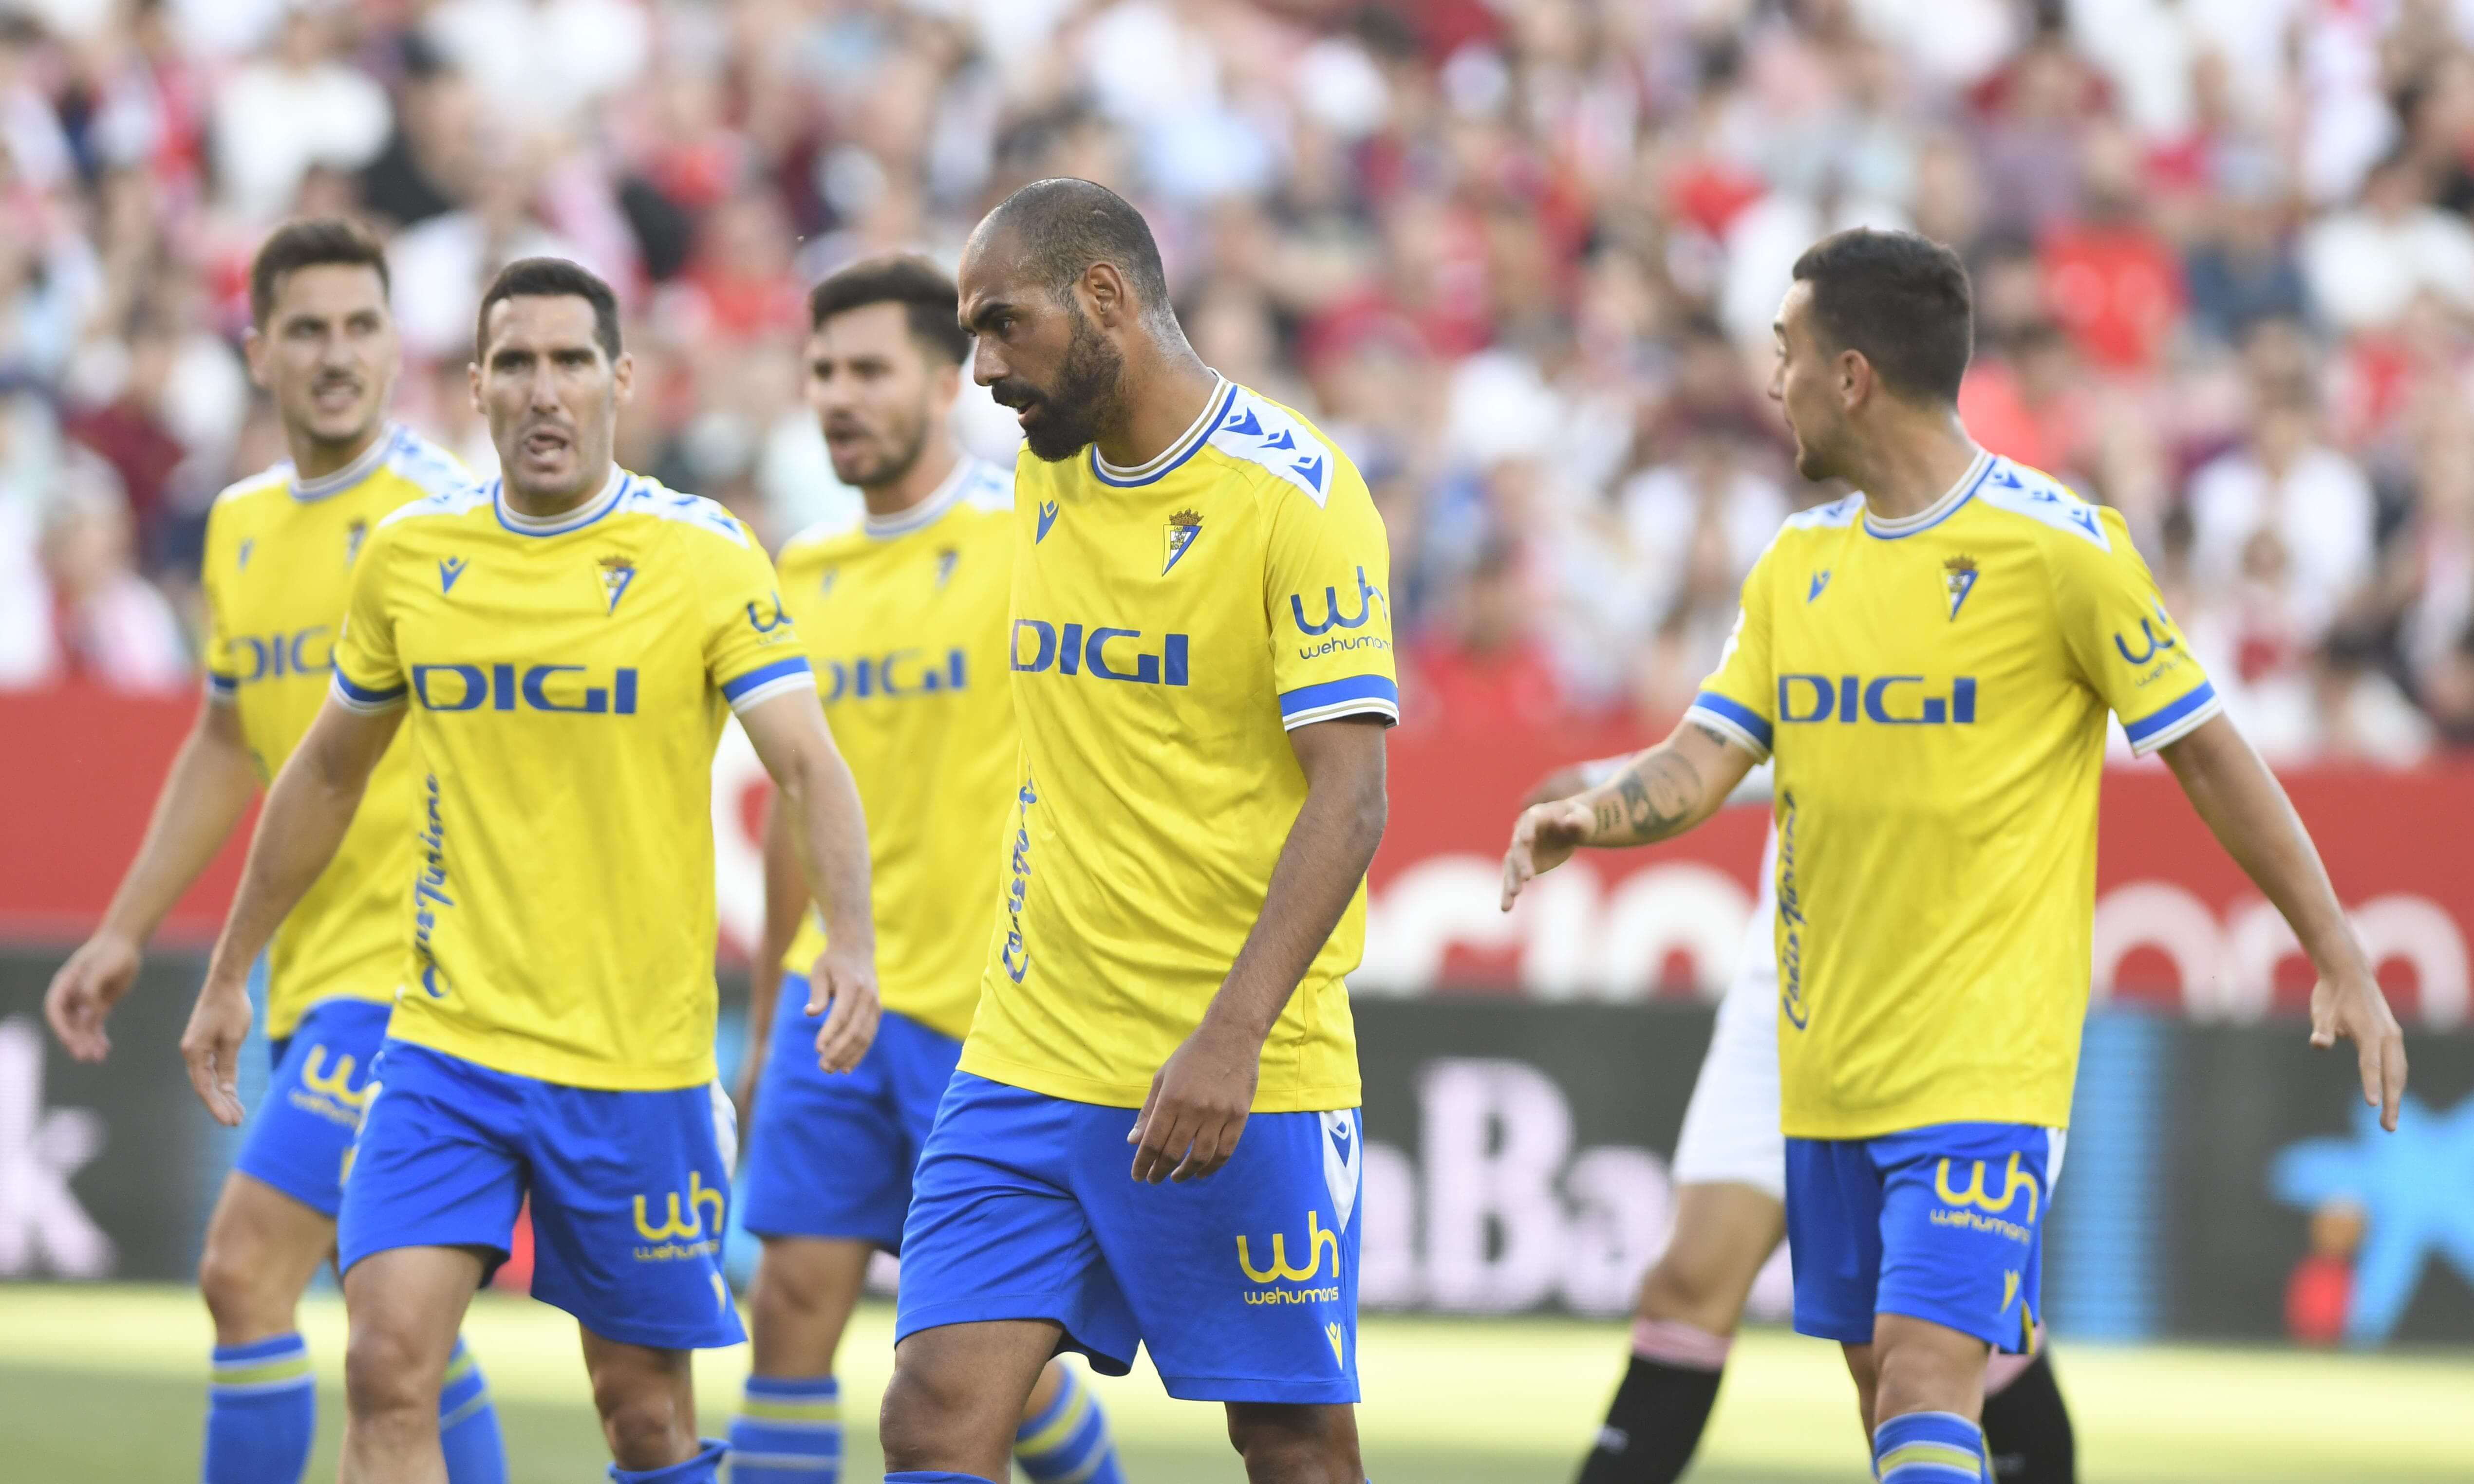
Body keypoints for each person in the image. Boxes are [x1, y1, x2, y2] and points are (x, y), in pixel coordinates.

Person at [1500, 228, 2407, 1484]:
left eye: (1787, 353)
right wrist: (1596, 815)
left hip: (1982, 1062)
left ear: (1853, 374)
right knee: (1893, 1391)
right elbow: (1703, 759)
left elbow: (2207, 751)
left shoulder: (2059, 550)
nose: (1773, 382)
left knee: (1928, 1368)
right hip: (1822, 1060)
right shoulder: (1794, 566)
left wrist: (2337, 951)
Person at [175, 256, 882, 1484]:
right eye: (516, 362)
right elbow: (325, 773)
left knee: (644, 1418)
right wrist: (233, 964)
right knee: (386, 1362)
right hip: (446, 1048)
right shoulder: (410, 558)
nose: (543, 390)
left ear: (619, 380)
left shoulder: (703, 555)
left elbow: (812, 772)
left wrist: (855, 950)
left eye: (568, 361)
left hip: (635, 1066)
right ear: (476, 387)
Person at [874, 178, 1396, 1484]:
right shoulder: (1044, 477)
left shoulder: (1295, 495)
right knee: (935, 1414)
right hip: (1032, 1046)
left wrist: (1232, 1036)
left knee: (1292, 1450)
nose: (983, 368)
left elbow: (1351, 794)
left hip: (1237, 1065)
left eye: (1004, 326)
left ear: (1104, 298)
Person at [42, 217, 507, 1484]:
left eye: (363, 326)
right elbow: (223, 739)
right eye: (308, 329)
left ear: (397, 346)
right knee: (405, 1332)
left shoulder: (449, 515)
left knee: (245, 1268)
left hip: (421, 988)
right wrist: (127, 928)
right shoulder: (242, 525)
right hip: (316, 979)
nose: (337, 354)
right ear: (258, 353)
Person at [727, 254, 1125, 1484]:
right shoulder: (801, 571)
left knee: (984, 1372)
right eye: (822, 372)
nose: (839, 397)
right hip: (832, 1002)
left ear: (948, 381)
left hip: (990, 1020)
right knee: (787, 1312)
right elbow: (802, 809)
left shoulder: (1031, 536)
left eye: (869, 371)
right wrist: (760, 1029)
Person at [1522, 767, 2075, 1484]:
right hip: (1785, 991)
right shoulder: (1783, 650)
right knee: (1689, 1281)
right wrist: (1601, 785)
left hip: (1938, 995)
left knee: (1928, 1340)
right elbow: (1753, 734)